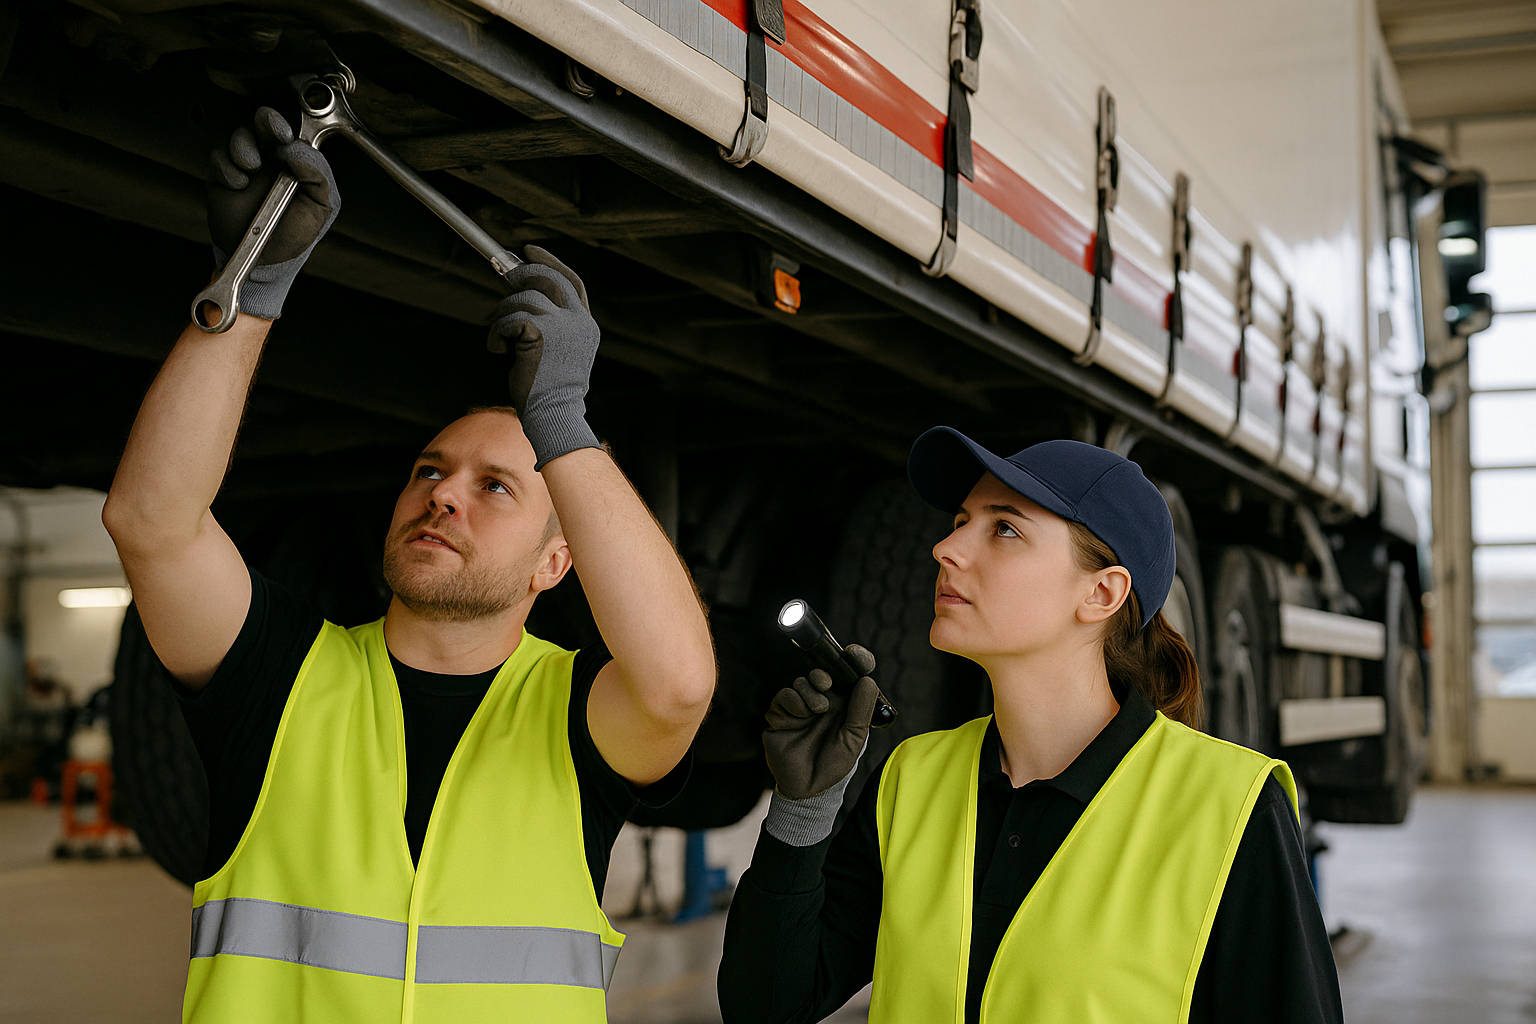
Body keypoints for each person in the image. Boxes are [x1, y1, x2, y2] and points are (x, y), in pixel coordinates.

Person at [102, 107, 716, 1022]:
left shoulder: (579, 717)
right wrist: (249, 285)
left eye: (496, 488)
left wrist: (561, 424)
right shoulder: (279, 678)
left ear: (559, 562)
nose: (444, 495)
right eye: (431, 471)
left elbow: (676, 685)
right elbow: (151, 522)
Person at [718, 427, 1344, 1024]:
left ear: (1101, 594)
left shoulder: (1230, 810)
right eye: (961, 522)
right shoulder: (910, 782)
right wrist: (803, 813)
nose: (946, 548)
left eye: (1005, 530)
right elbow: (767, 1008)